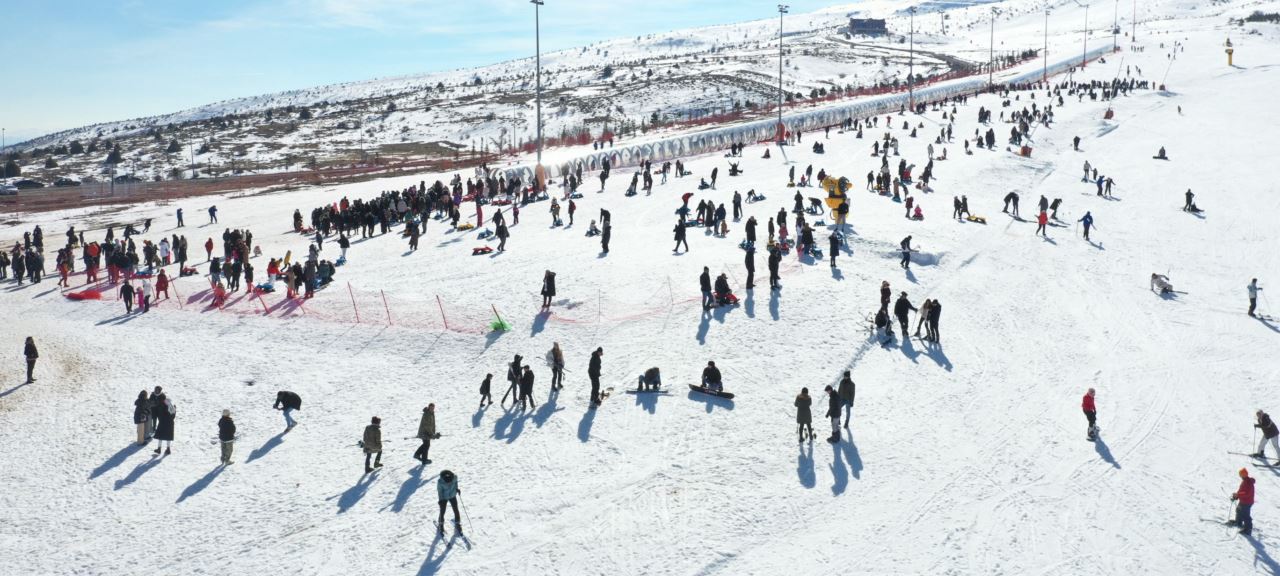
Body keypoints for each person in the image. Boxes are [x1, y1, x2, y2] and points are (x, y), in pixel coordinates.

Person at [1229, 468, 1256, 535]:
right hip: (1244, 500)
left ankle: (1248, 529)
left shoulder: (1248, 482)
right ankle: (1238, 522)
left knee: (1245, 515)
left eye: (1240, 475)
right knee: (1238, 510)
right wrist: (1236, 496)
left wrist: (1238, 494)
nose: (1240, 476)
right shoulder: (1245, 480)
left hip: (1247, 502)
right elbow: (1241, 490)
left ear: (1243, 475)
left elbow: (1246, 493)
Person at [436, 469, 462, 536]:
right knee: (442, 511)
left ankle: (457, 523)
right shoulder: (440, 482)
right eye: (447, 483)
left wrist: (456, 489)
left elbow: (456, 483)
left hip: (453, 495)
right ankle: (441, 524)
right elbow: (440, 492)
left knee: (456, 509)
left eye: (450, 482)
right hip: (444, 497)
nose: (449, 483)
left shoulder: (454, 477)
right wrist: (441, 500)